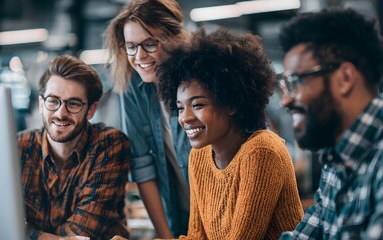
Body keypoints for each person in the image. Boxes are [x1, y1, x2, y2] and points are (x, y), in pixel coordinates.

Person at [116, 28, 303, 240]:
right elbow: (196, 237)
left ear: (230, 102)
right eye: (179, 108)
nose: (184, 118)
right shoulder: (199, 157)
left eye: (197, 105)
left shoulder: (262, 151)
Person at [278, 8, 383, 239]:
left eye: (296, 82)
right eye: (284, 86)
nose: (285, 100)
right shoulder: (336, 159)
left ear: (345, 78)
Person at [18, 55, 130, 240]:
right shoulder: (19, 148)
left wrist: (28, 234)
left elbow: (81, 232)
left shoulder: (109, 145)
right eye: (53, 101)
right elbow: (1, 220)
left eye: (73, 104)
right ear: (41, 104)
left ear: (91, 110)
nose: (61, 113)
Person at [104, 0, 190, 237]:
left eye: (150, 43)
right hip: (178, 214)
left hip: (222, 213)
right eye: (131, 46)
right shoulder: (132, 84)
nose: (139, 56)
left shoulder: (198, 79)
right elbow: (142, 167)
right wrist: (166, 236)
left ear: (175, 38)